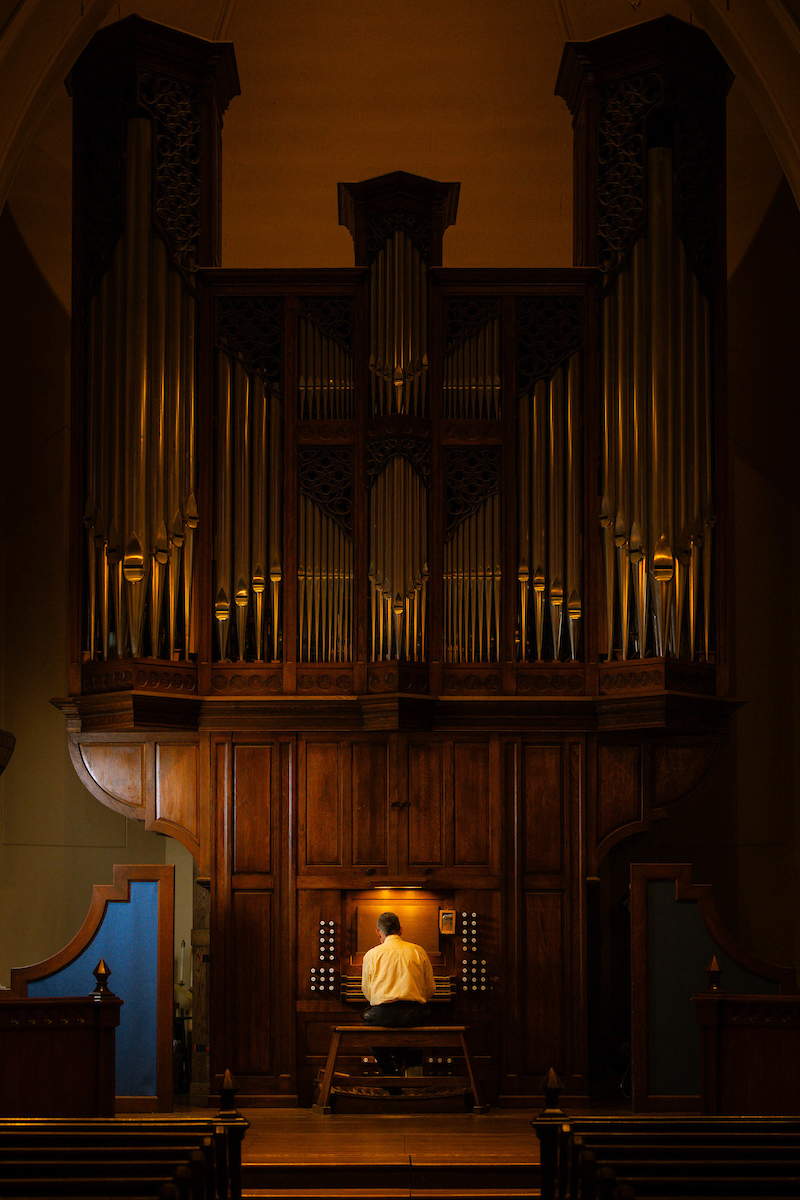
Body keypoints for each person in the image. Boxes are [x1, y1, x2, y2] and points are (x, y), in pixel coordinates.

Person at [361, 911, 435, 1079]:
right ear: (401, 930)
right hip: (413, 1015)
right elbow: (430, 989)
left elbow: (367, 993)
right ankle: (403, 1072)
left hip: (382, 1014)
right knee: (413, 1029)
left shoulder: (371, 954)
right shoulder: (418, 951)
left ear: (378, 932)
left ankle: (390, 1073)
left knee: (370, 1030)